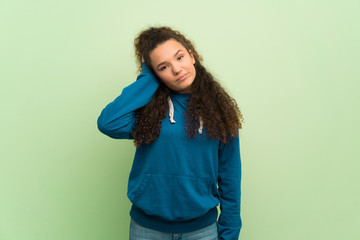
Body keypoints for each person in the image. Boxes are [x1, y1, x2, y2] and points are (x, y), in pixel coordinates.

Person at [97, 26, 244, 240]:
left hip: (202, 230)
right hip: (147, 229)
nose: (176, 69)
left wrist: (230, 231)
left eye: (180, 57)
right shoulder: (149, 111)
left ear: (192, 56)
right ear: (154, 73)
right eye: (163, 67)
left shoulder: (220, 111)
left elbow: (230, 175)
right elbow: (108, 123)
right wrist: (148, 79)